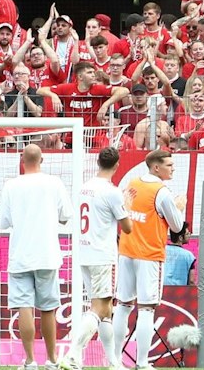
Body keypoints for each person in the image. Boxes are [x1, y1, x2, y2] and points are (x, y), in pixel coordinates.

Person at [0, 145, 70, 369]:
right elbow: (65, 216)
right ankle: (51, 359)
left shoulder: (11, 185)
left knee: (24, 307)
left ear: (22, 160)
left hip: (21, 254)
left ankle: (30, 360)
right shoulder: (54, 183)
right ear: (42, 159)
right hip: (47, 254)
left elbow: (4, 222)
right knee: (48, 308)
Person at [119, 149, 185, 370]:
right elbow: (177, 226)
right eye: (169, 165)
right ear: (156, 167)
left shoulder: (133, 183)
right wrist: (179, 208)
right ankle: (141, 362)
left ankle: (115, 360)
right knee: (146, 308)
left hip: (126, 251)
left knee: (123, 305)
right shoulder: (162, 192)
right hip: (149, 255)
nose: (173, 168)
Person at [62, 147, 127, 370]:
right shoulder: (112, 192)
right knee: (99, 309)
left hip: (85, 253)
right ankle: (73, 354)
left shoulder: (84, 188)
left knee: (106, 310)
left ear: (98, 162)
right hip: (103, 255)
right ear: (117, 165)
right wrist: (126, 204)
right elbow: (127, 227)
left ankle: (113, 362)